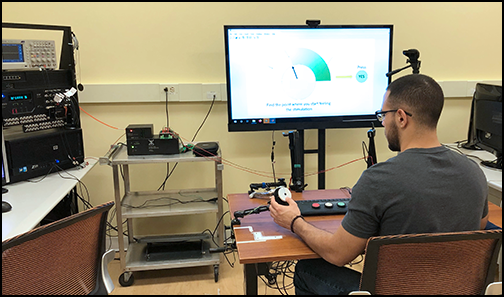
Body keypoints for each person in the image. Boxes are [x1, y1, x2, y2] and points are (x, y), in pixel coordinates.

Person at [269, 74, 489, 295]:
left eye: (384, 115)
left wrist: (294, 221)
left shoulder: (379, 179)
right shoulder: (474, 173)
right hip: (456, 289)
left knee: (308, 269)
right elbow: (477, 231)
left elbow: (338, 254)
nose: (383, 122)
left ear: (401, 118)